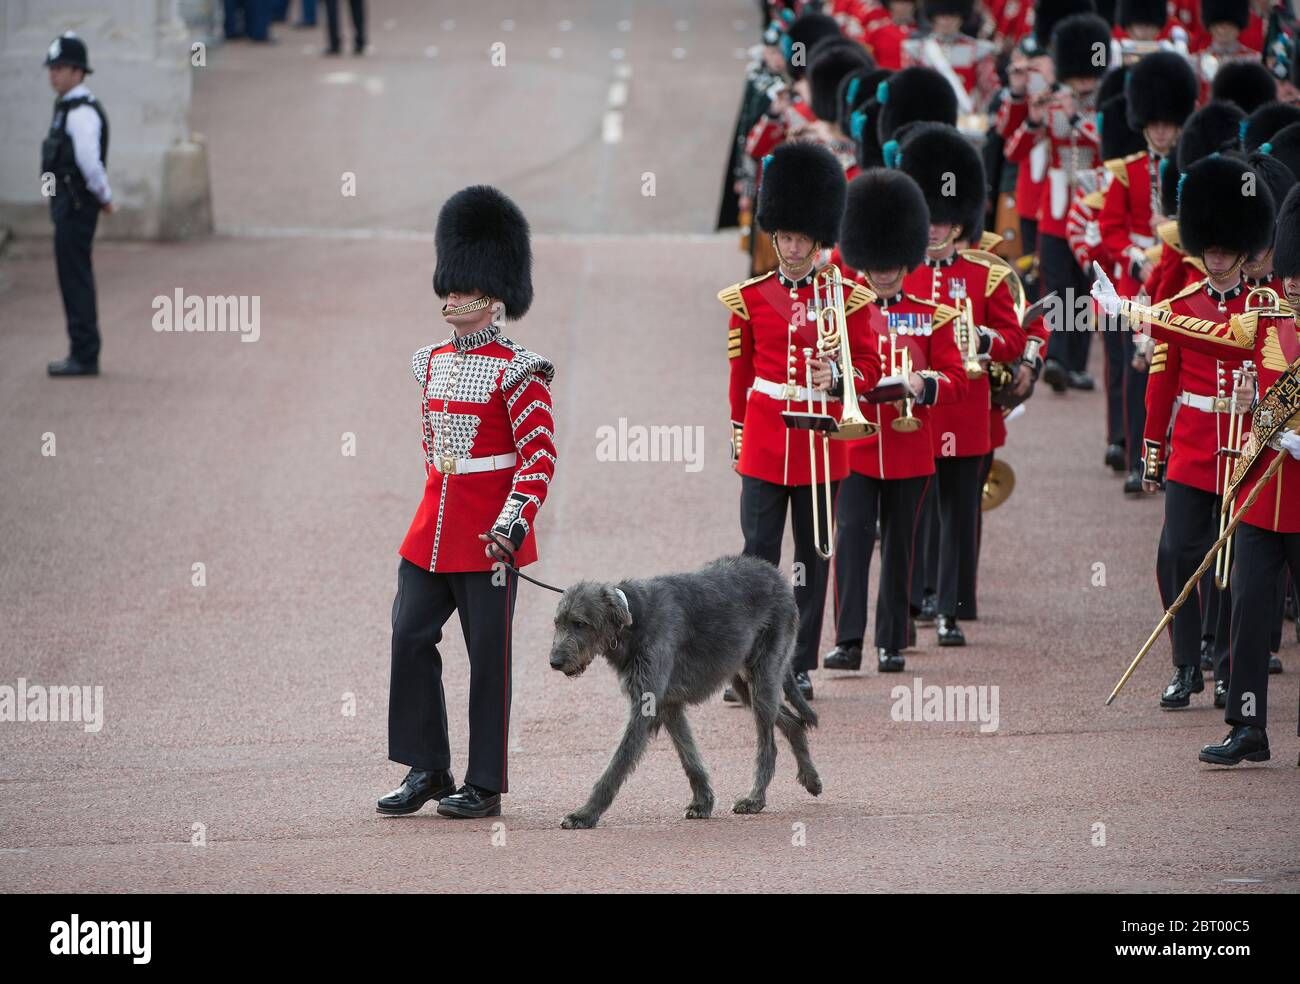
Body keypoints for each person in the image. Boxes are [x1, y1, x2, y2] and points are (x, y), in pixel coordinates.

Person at [1094, 182, 1300, 766]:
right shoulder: (1263, 318)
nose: (1295, 287)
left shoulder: (1266, 308)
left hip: (1289, 489)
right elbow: (1198, 333)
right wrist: (1128, 310)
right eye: (1292, 277)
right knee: (1240, 598)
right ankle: (1246, 724)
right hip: (1257, 487)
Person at [378, 186, 557, 819]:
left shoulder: (521, 370)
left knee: (489, 661)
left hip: (488, 536)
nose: (450, 299)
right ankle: (427, 766)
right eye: (448, 288)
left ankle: (484, 783)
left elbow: (538, 460)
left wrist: (511, 525)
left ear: (494, 296)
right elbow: (434, 449)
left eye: (464, 289)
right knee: (408, 637)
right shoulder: (427, 363)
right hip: (431, 529)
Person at [720, 141, 883, 700]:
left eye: (800, 239)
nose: (791, 248)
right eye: (784, 237)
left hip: (820, 442)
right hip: (766, 441)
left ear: (818, 240)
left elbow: (869, 365)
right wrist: (740, 439)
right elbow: (740, 380)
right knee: (757, 559)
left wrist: (835, 380)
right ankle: (748, 666)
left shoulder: (850, 298)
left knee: (812, 559)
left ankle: (797, 664)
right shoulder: (750, 298)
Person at [1135, 156, 1275, 710]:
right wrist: (1152, 452)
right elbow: (1159, 388)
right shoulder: (1178, 308)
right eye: (1209, 248)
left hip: (1246, 448)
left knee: (1236, 564)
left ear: (1243, 248)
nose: (1216, 257)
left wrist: (1257, 401)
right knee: (1177, 554)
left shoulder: (1269, 310)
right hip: (1192, 448)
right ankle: (1184, 663)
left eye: (1225, 248)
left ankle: (1225, 666)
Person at [827, 167, 966, 673]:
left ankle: (890, 640)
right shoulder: (844, 311)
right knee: (853, 538)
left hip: (911, 450)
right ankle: (848, 640)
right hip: (858, 444)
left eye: (891, 264)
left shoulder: (935, 313)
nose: (883, 274)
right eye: (875, 264)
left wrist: (923, 384)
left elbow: (957, 378)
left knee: (901, 548)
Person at [898, 123, 1025, 643]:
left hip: (966, 407)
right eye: (928, 219)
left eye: (944, 220)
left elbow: (1014, 340)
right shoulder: (899, 272)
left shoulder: (984, 274)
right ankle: (913, 600)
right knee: (914, 510)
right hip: (918, 408)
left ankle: (949, 607)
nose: (934, 230)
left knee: (958, 514)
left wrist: (984, 338)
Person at [1100, 52, 1199, 491]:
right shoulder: (1127, 172)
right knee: (1133, 367)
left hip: (1177, 283)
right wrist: (1137, 259)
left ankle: (1172, 448)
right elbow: (1109, 231)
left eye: (1168, 123)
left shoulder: (1193, 172)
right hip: (1137, 284)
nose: (1161, 130)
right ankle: (1138, 458)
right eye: (1155, 123)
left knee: (1176, 367)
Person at [41, 33, 113, 378]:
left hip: (75, 207)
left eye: (60, 68)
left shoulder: (81, 112)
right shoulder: (64, 108)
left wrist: (106, 198)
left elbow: (89, 163)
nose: (53, 74)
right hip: (64, 206)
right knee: (71, 278)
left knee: (76, 278)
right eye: (52, 68)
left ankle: (84, 354)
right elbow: (51, 161)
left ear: (78, 71)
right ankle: (80, 350)